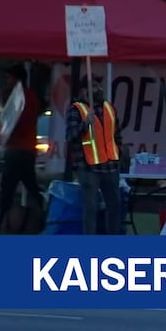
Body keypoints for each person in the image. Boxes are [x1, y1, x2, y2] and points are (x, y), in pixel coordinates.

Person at [66, 75, 123, 235]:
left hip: (110, 165)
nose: (99, 89)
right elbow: (70, 136)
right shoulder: (76, 110)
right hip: (88, 167)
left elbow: (117, 134)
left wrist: (120, 152)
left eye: (99, 85)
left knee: (115, 205)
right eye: (94, 86)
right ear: (84, 91)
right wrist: (85, 124)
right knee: (90, 208)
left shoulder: (109, 108)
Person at [0, 63, 43, 231]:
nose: (7, 80)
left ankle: (3, 220)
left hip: (19, 148)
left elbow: (19, 122)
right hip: (24, 149)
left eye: (9, 77)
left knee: (10, 186)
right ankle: (40, 216)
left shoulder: (24, 97)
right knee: (27, 185)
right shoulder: (27, 96)